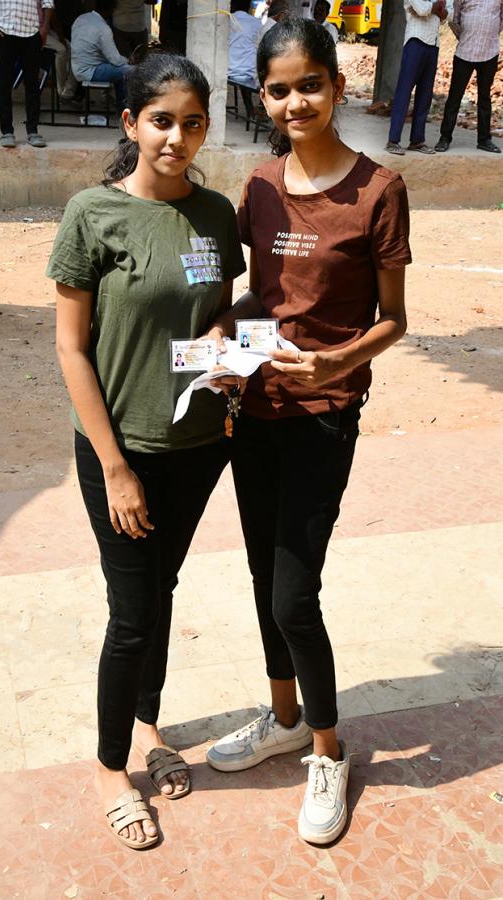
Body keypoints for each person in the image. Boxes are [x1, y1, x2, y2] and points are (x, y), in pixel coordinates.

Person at [205, 18, 410, 846]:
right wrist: (223, 331)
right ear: (265, 96)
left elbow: (393, 320)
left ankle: (328, 750)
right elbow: (261, 298)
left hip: (325, 418)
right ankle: (284, 717)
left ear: (337, 86)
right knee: (262, 577)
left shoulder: (379, 188)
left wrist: (336, 367)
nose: (296, 101)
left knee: (295, 591)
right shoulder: (257, 183)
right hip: (253, 410)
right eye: (279, 89)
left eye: (310, 86)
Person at [46, 53, 246, 850]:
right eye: (162, 120)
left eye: (192, 123)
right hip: (119, 451)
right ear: (131, 124)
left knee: (160, 589)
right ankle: (109, 769)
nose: (177, 137)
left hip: (199, 446)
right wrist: (117, 468)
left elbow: (220, 310)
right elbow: (70, 351)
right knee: (131, 616)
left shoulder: (216, 214)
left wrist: (226, 343)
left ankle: (147, 723)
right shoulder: (92, 213)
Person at [0, 0, 52, 148]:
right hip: (3, 31)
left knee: (32, 84)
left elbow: (48, 3)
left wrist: (45, 27)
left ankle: (33, 131)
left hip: (31, 32)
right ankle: (7, 132)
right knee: (4, 84)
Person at [435, 0, 502, 154]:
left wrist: (489, 34)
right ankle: (445, 138)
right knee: (454, 97)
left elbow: (501, 18)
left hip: (489, 51)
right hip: (465, 51)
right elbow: (454, 18)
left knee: (484, 97)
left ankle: (484, 140)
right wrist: (466, 36)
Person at [386, 0, 449, 155]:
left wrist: (433, 9)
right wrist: (437, 8)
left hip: (434, 44)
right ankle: (393, 141)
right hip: (415, 41)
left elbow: (449, 14)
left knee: (425, 95)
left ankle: (417, 141)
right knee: (404, 92)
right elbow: (421, 9)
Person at [71, 0, 133, 112]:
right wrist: (127, 60)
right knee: (130, 70)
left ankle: (121, 106)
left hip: (77, 67)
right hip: (91, 71)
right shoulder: (103, 28)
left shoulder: (81, 18)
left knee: (120, 72)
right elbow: (115, 60)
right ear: (111, 10)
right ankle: (125, 109)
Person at [228, 0, 262, 90]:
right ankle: (249, 103)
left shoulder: (227, 20)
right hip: (249, 73)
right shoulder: (257, 23)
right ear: (249, 7)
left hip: (228, 72)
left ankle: (248, 103)